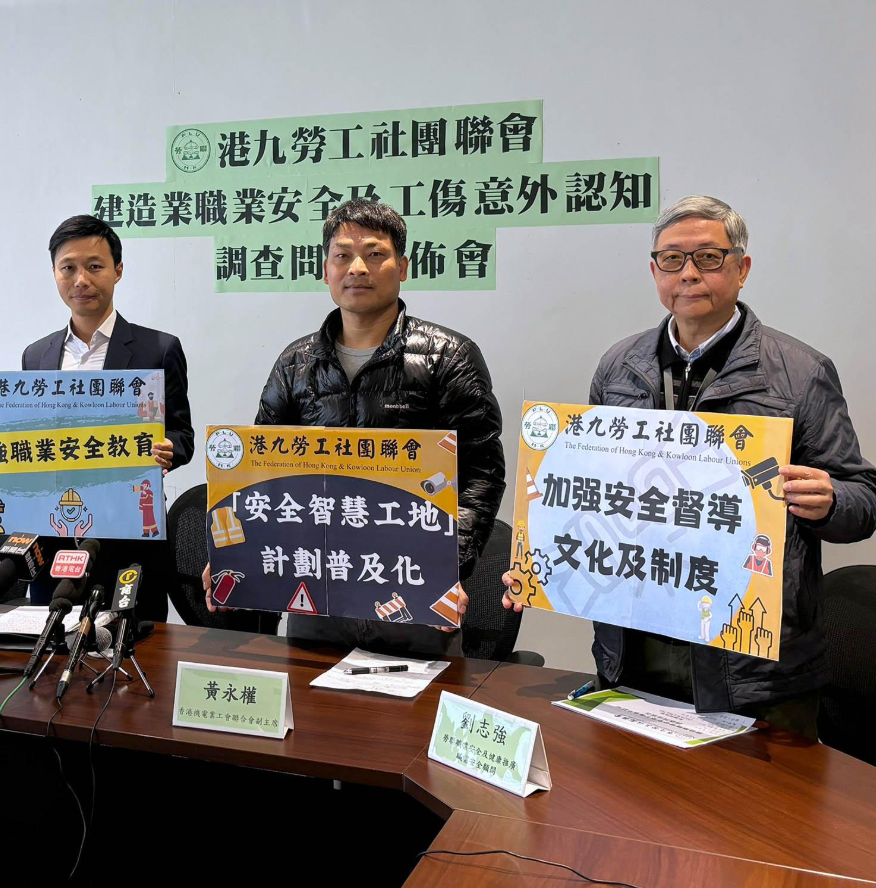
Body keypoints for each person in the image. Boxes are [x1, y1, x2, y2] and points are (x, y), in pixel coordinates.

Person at [505, 195, 876, 737]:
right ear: (654, 270)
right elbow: (590, 493)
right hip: (634, 647)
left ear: (742, 268)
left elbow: (863, 500)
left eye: (708, 257)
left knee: (748, 795)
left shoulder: (801, 373)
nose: (689, 274)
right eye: (672, 259)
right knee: (627, 787)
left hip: (751, 667)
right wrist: (540, 562)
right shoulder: (619, 367)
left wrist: (831, 500)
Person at [203, 198, 502, 656]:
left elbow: (481, 473)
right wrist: (235, 556)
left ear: (403, 267)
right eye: (342, 255)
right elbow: (260, 473)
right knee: (309, 701)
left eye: (375, 254)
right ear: (326, 270)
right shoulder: (295, 363)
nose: (357, 268)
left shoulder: (449, 356)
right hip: (316, 595)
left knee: (414, 704)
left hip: (412, 593)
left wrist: (448, 568)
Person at [0, 215, 194, 622]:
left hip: (127, 534)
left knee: (132, 648)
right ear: (54, 274)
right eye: (68, 268)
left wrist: (170, 448)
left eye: (95, 266)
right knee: (51, 641)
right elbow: (28, 440)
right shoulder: (37, 356)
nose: (81, 279)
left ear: (118, 270)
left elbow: (182, 434)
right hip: (52, 537)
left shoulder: (158, 349)